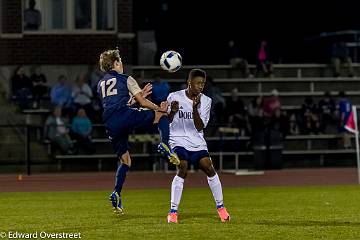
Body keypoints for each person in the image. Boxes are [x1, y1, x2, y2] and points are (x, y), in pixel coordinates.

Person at [97, 48, 180, 214]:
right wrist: (159, 108)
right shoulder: (126, 78)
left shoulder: (100, 84)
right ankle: (164, 145)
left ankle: (116, 193)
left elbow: (118, 104)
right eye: (120, 61)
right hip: (124, 116)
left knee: (125, 160)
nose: (122, 64)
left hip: (110, 123)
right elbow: (142, 103)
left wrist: (135, 98)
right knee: (160, 116)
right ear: (116, 63)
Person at [166, 69, 230, 223]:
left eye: (203, 83)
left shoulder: (206, 101)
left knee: (209, 168)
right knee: (183, 167)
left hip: (197, 142)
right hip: (178, 140)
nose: (201, 86)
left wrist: (195, 108)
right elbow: (166, 120)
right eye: (198, 83)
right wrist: (172, 112)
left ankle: (221, 208)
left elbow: (200, 126)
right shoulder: (174, 96)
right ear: (189, 83)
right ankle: (173, 211)